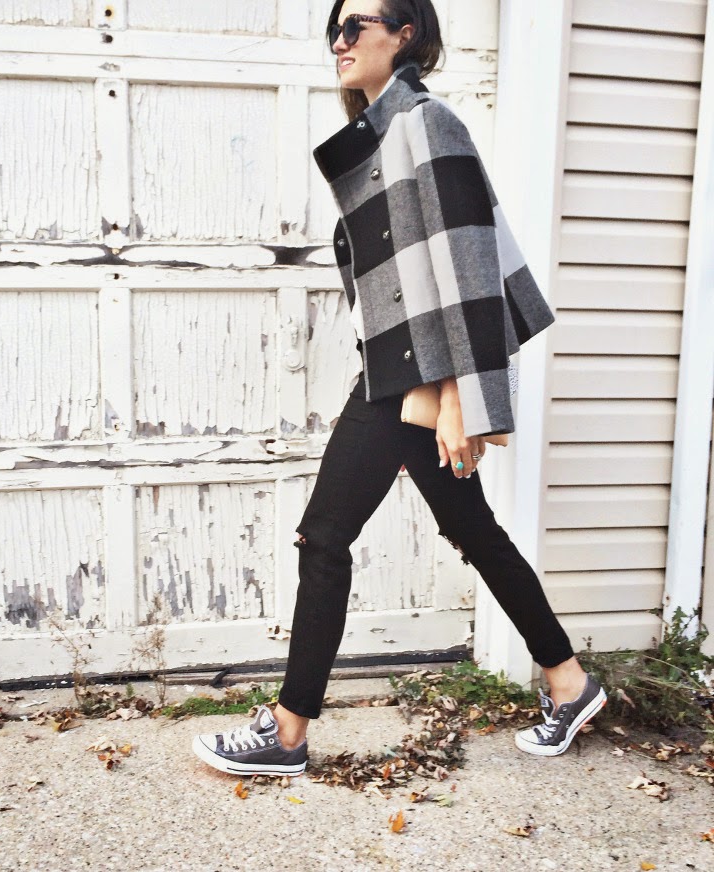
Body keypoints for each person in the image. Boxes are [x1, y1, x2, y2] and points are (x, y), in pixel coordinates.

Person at [191, 0, 607, 776]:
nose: (340, 41)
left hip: (409, 378)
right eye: (334, 28)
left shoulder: (425, 121)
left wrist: (457, 398)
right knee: (473, 530)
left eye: (357, 25)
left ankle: (287, 733)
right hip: (400, 370)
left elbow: (465, 262)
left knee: (325, 536)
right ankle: (569, 681)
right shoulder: (386, 131)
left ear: (404, 33)